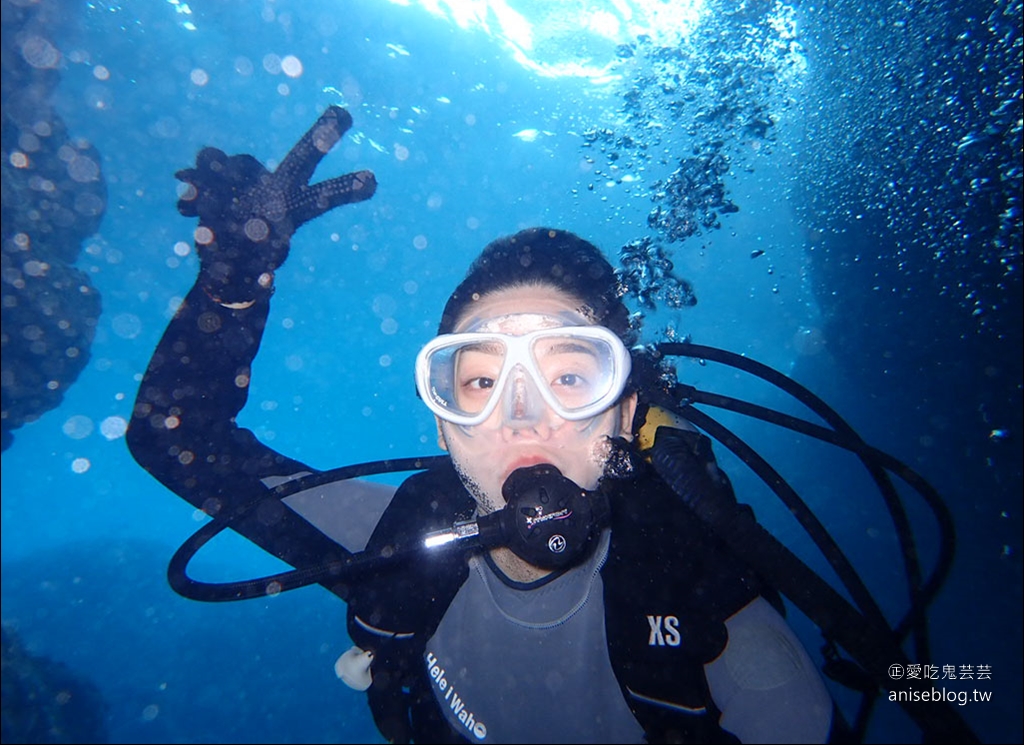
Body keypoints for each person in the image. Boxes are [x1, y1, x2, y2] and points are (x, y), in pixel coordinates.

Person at [127, 106, 838, 743]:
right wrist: (232, 287)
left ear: (624, 410)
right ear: (443, 425)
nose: (523, 415)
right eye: (480, 381)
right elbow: (177, 436)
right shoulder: (401, 549)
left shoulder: (706, 613)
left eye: (569, 375)